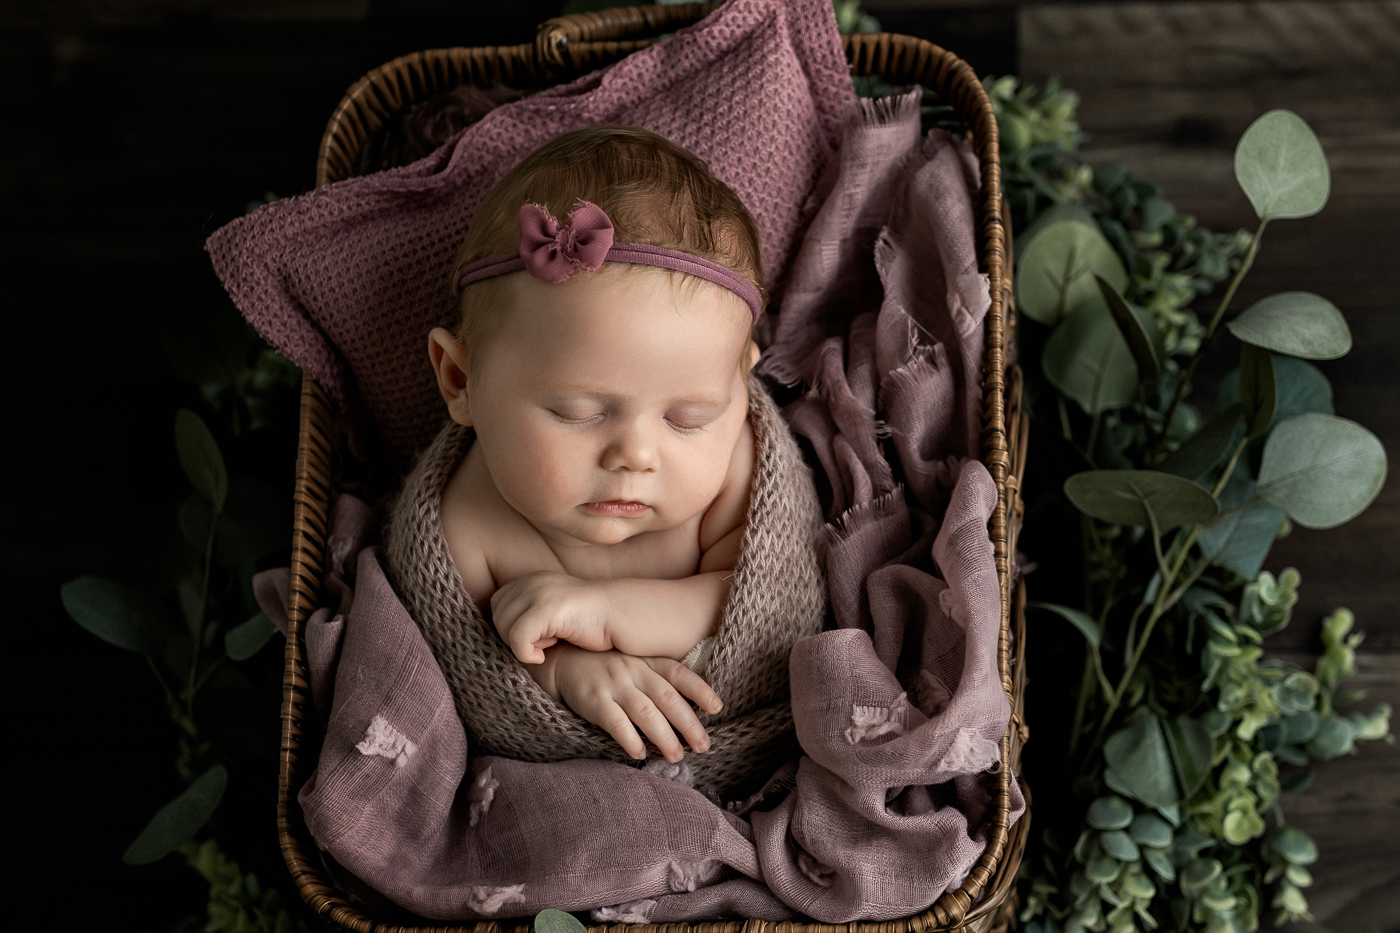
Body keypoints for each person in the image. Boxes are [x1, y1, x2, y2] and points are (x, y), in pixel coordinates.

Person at [399, 124, 823, 774]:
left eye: (690, 417)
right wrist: (569, 671)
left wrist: (608, 613)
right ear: (460, 380)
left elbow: (763, 606)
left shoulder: (736, 471)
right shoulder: (465, 524)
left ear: (738, 390)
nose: (637, 454)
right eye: (579, 411)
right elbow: (470, 667)